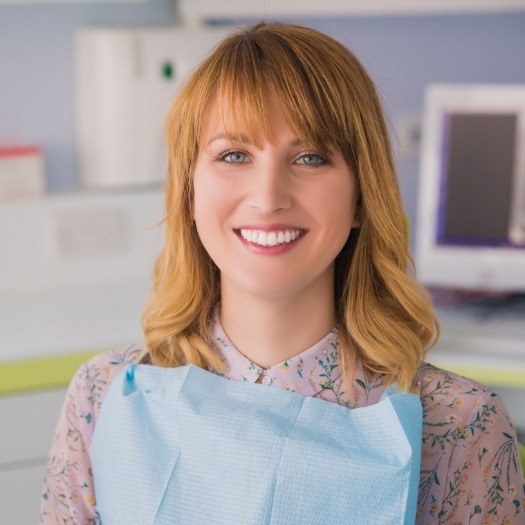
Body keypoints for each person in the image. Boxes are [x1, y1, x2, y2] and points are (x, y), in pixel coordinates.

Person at [41, 22, 524, 524]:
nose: (269, 197)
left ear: (361, 196)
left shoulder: (458, 426)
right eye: (234, 155)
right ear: (188, 192)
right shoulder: (103, 397)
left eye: (310, 157)